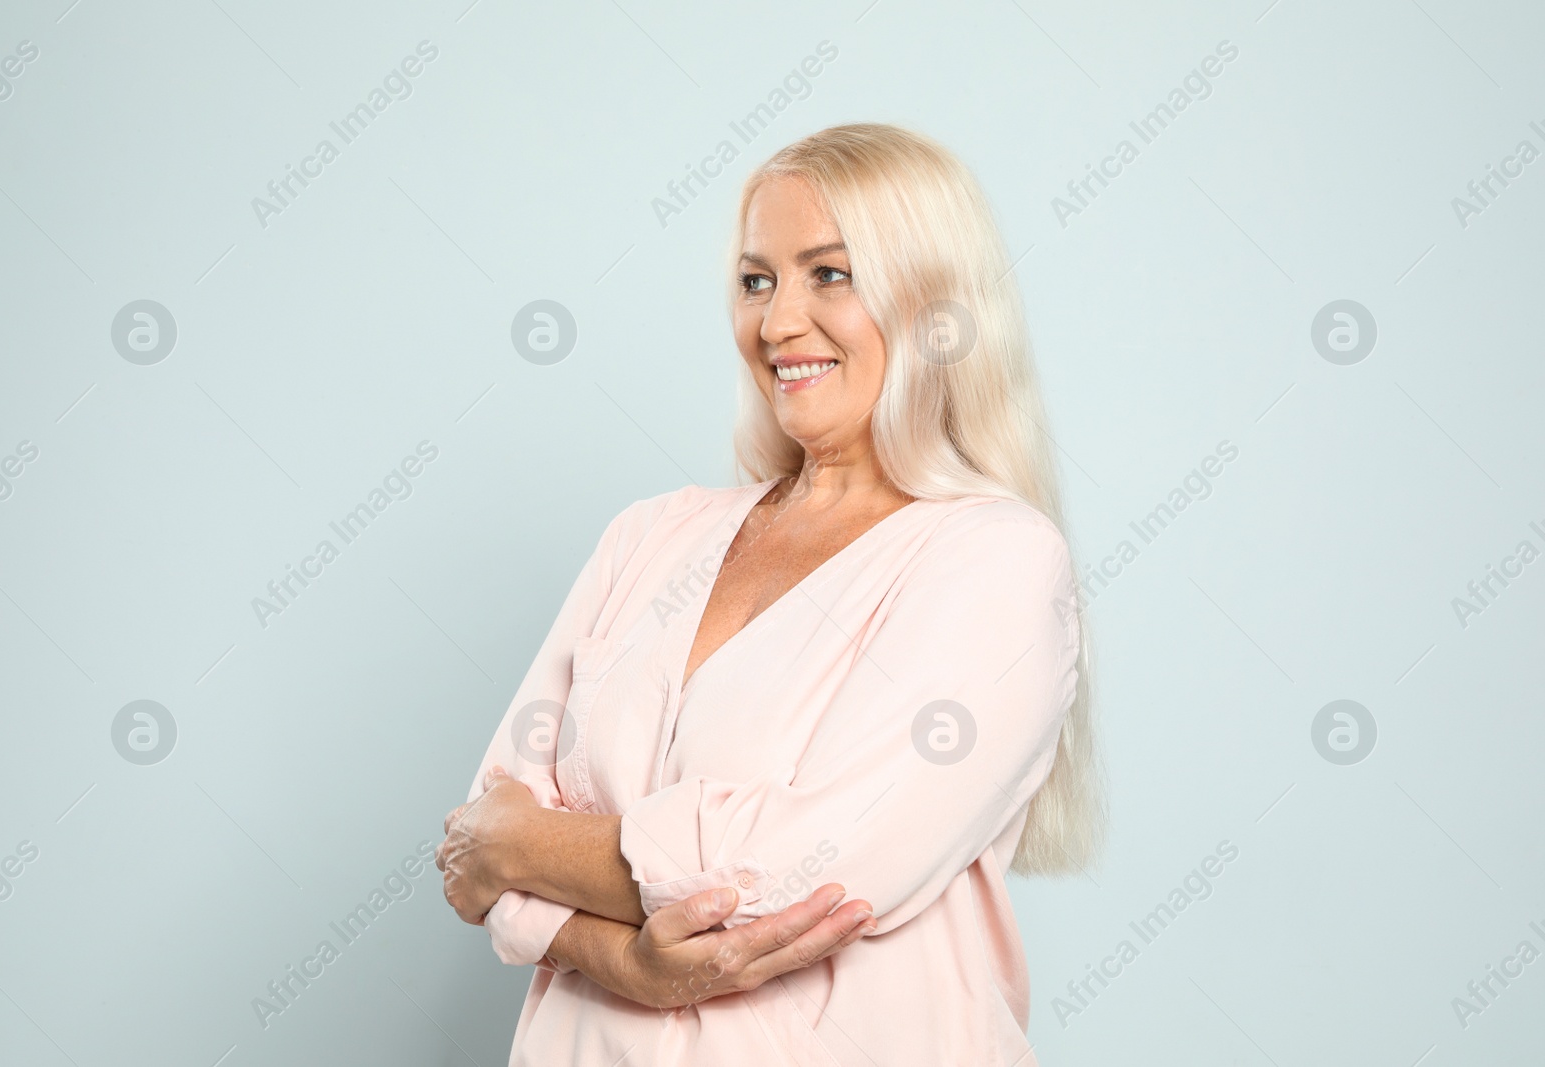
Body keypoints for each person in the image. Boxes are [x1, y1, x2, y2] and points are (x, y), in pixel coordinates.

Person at [436, 122, 1104, 1065]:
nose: (779, 322)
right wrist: (621, 958)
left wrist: (523, 848)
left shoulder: (994, 560)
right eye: (758, 280)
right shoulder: (651, 534)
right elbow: (482, 829)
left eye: (830, 273)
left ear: (935, 304)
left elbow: (805, 869)